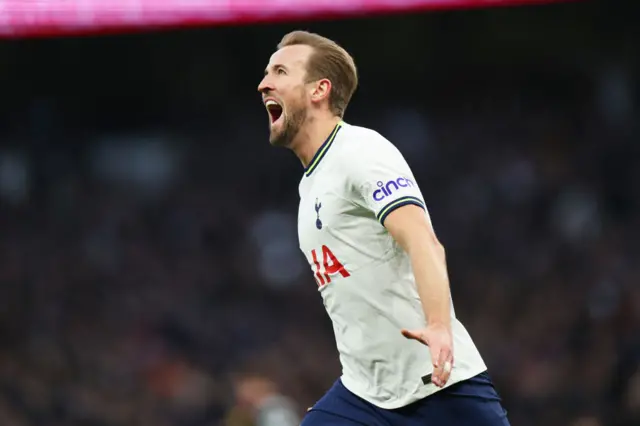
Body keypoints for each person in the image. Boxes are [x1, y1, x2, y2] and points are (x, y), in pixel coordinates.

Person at [257, 30, 510, 426]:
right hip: (363, 396)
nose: (264, 83)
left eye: (280, 71)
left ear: (318, 90)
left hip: (439, 388)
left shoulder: (361, 151)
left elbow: (422, 241)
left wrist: (440, 327)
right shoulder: (311, 184)